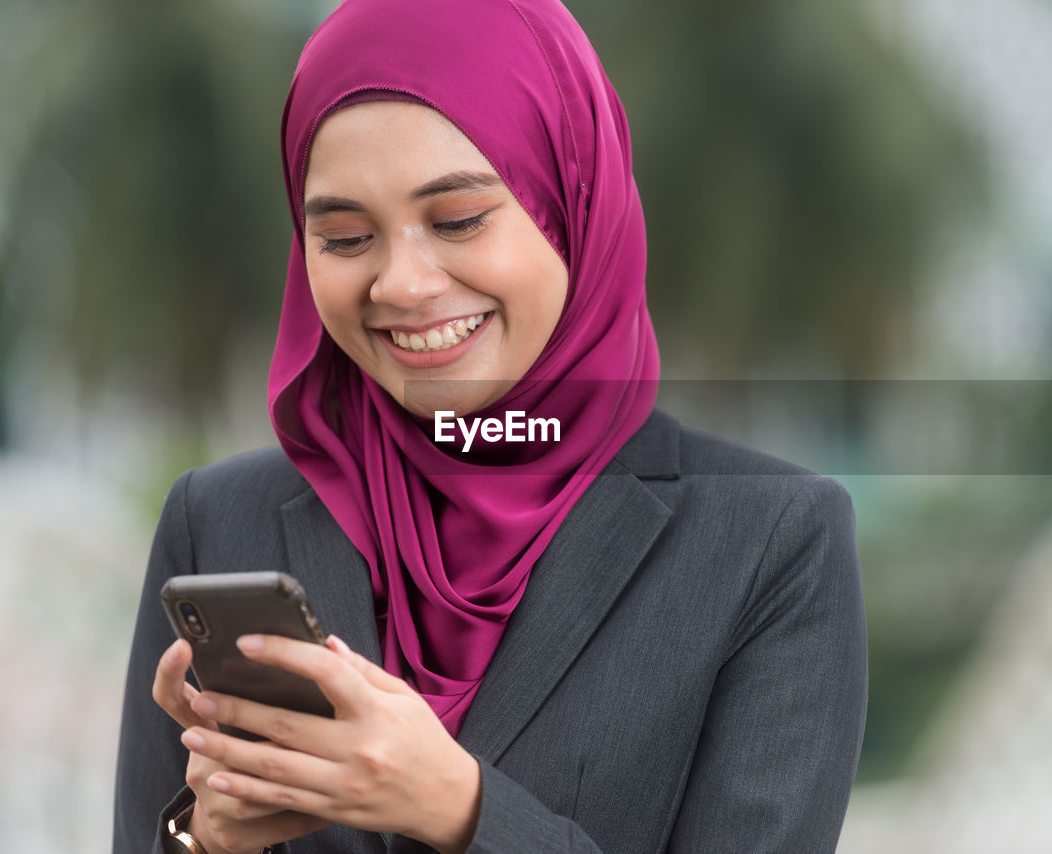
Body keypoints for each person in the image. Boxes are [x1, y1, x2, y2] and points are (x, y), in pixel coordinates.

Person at [112, 0, 868, 851]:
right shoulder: (219, 524)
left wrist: (458, 807)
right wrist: (206, 842)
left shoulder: (767, 541)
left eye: (459, 220)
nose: (400, 284)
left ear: (574, 207)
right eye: (346, 235)